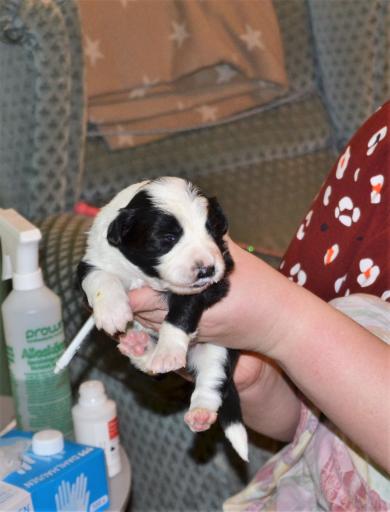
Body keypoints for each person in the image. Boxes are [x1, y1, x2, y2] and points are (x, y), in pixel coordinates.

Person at [126, 102, 390, 509]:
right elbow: (313, 423)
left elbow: (292, 329)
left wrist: (283, 325)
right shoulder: (382, 142)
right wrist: (253, 375)